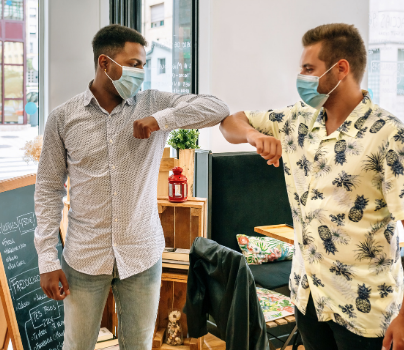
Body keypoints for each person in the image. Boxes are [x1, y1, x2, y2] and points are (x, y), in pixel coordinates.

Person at [34, 24, 229, 350]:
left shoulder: (152, 103)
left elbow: (217, 107)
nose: (141, 72)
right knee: (76, 345)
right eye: (134, 64)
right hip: (84, 257)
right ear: (105, 63)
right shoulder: (62, 118)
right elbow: (49, 189)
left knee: (137, 346)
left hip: (142, 256)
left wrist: (160, 120)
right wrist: (46, 260)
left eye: (143, 64)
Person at [220, 23, 404, 350]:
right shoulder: (296, 121)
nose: (301, 77)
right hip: (309, 297)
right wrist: (255, 136)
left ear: (341, 69)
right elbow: (230, 122)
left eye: (309, 69)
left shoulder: (388, 134)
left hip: (366, 310)